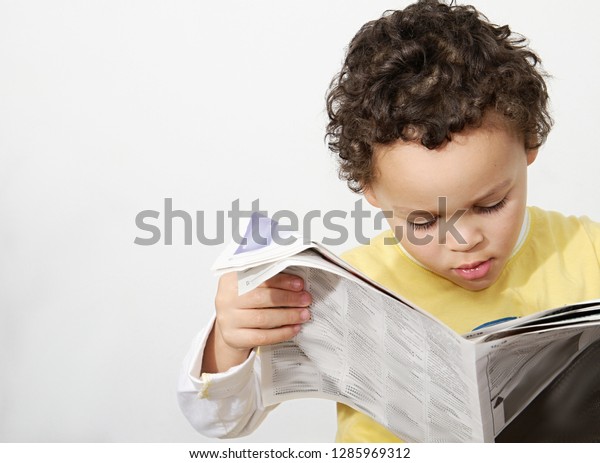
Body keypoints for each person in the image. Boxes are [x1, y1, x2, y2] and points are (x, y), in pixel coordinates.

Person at [177, 0, 600, 442]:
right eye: (422, 220)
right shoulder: (342, 288)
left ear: (529, 146)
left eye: (491, 204)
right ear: (371, 191)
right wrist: (229, 342)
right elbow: (219, 420)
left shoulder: (589, 253)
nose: (465, 239)